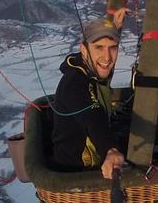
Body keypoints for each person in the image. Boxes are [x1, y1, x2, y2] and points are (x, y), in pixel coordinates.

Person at [51, 18, 126, 178]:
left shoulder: (90, 70)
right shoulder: (74, 83)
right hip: (77, 174)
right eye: (99, 47)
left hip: (92, 163)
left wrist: (116, 26)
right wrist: (110, 150)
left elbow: (105, 68)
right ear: (83, 50)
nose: (107, 57)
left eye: (113, 48)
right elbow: (93, 119)